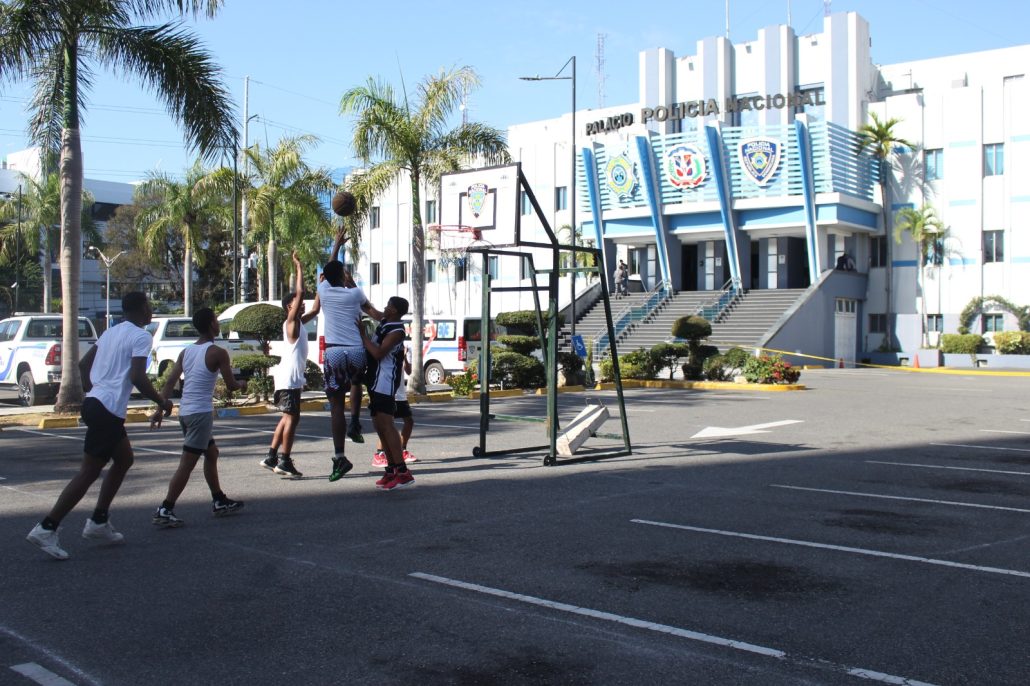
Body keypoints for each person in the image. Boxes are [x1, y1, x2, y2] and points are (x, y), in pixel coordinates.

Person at [26, 292, 173, 560]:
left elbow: (84, 365)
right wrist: (162, 401)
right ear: (142, 309)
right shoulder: (141, 336)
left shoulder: (110, 333)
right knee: (88, 472)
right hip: (106, 409)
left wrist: (96, 391)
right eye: (149, 306)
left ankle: (99, 521)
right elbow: (138, 377)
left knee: (125, 459)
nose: (151, 311)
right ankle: (47, 527)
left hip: (96, 404)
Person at [149, 308, 247, 528]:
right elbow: (231, 386)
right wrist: (242, 384)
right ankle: (165, 508)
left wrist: (159, 407)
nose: (217, 324)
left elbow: (169, 381)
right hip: (200, 415)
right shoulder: (217, 352)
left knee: (211, 453)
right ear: (212, 324)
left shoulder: (187, 352)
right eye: (215, 320)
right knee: (187, 464)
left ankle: (219, 500)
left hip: (186, 413)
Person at [309, 228, 382, 482]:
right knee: (356, 382)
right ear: (344, 276)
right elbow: (373, 313)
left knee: (335, 407)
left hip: (335, 352)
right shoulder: (355, 293)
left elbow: (328, 271)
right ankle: (355, 421)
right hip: (357, 351)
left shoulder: (324, 292)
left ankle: (340, 457)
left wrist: (335, 246)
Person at [261, 252, 318, 478]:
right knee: (293, 419)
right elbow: (301, 291)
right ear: (289, 307)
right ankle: (284, 461)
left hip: (288, 378)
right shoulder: (291, 322)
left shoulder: (300, 323)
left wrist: (322, 286)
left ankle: (272, 456)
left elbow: (316, 309)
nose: (301, 302)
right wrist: (299, 266)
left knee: (287, 417)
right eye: (296, 301)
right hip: (289, 379)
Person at [358, 296, 414, 490]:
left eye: (389, 305)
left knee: (387, 425)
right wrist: (351, 287)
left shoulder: (397, 331)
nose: (386, 306)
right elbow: (369, 308)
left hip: (385, 382)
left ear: (396, 311)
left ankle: (403, 472)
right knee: (379, 426)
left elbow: (379, 353)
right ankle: (391, 471)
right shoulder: (385, 321)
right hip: (374, 379)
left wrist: (363, 336)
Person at [372, 342, 416, 467]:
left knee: (409, 421)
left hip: (400, 393)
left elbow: (408, 371)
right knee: (387, 424)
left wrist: (405, 358)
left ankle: (402, 449)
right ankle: (379, 454)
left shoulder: (407, 347)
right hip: (388, 391)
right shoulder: (386, 346)